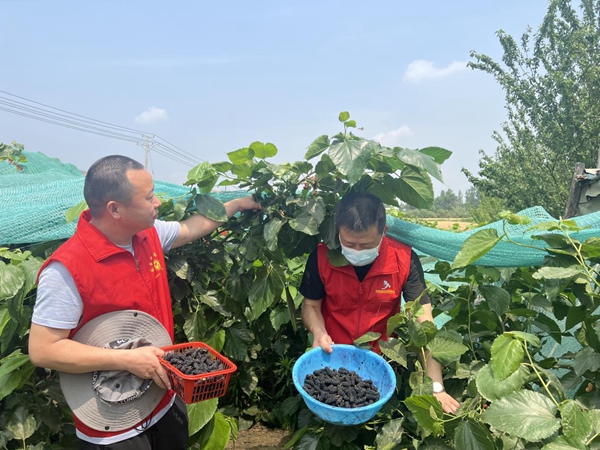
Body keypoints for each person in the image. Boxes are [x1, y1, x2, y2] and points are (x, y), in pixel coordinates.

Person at [28, 155, 262, 449]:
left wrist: (238, 204)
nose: (158, 203)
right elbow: (43, 350)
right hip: (113, 420)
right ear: (115, 209)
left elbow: (194, 227)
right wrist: (126, 359)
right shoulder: (67, 269)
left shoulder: (148, 235)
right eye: (150, 197)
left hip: (163, 398)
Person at [299, 192, 459, 414]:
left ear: (383, 232)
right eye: (349, 243)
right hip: (332, 357)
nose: (356, 251)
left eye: (365, 245)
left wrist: (437, 387)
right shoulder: (321, 257)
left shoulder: (403, 259)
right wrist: (318, 331)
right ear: (338, 231)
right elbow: (311, 306)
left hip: (380, 363)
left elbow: (425, 324)